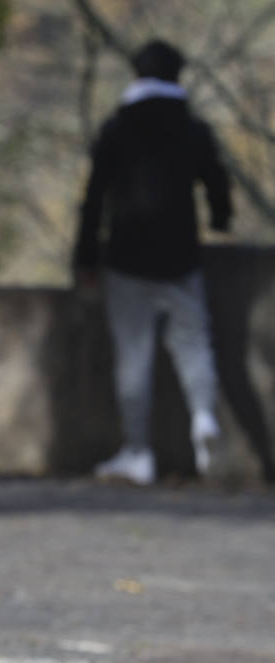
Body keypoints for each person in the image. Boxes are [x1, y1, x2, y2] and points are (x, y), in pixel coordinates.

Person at [73, 38, 232, 486]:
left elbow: (93, 198)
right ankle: (203, 416)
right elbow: (216, 179)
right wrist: (221, 218)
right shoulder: (192, 128)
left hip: (125, 256)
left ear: (137, 75)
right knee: (194, 342)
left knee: (133, 356)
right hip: (181, 254)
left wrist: (85, 256)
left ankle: (139, 451)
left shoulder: (118, 127)